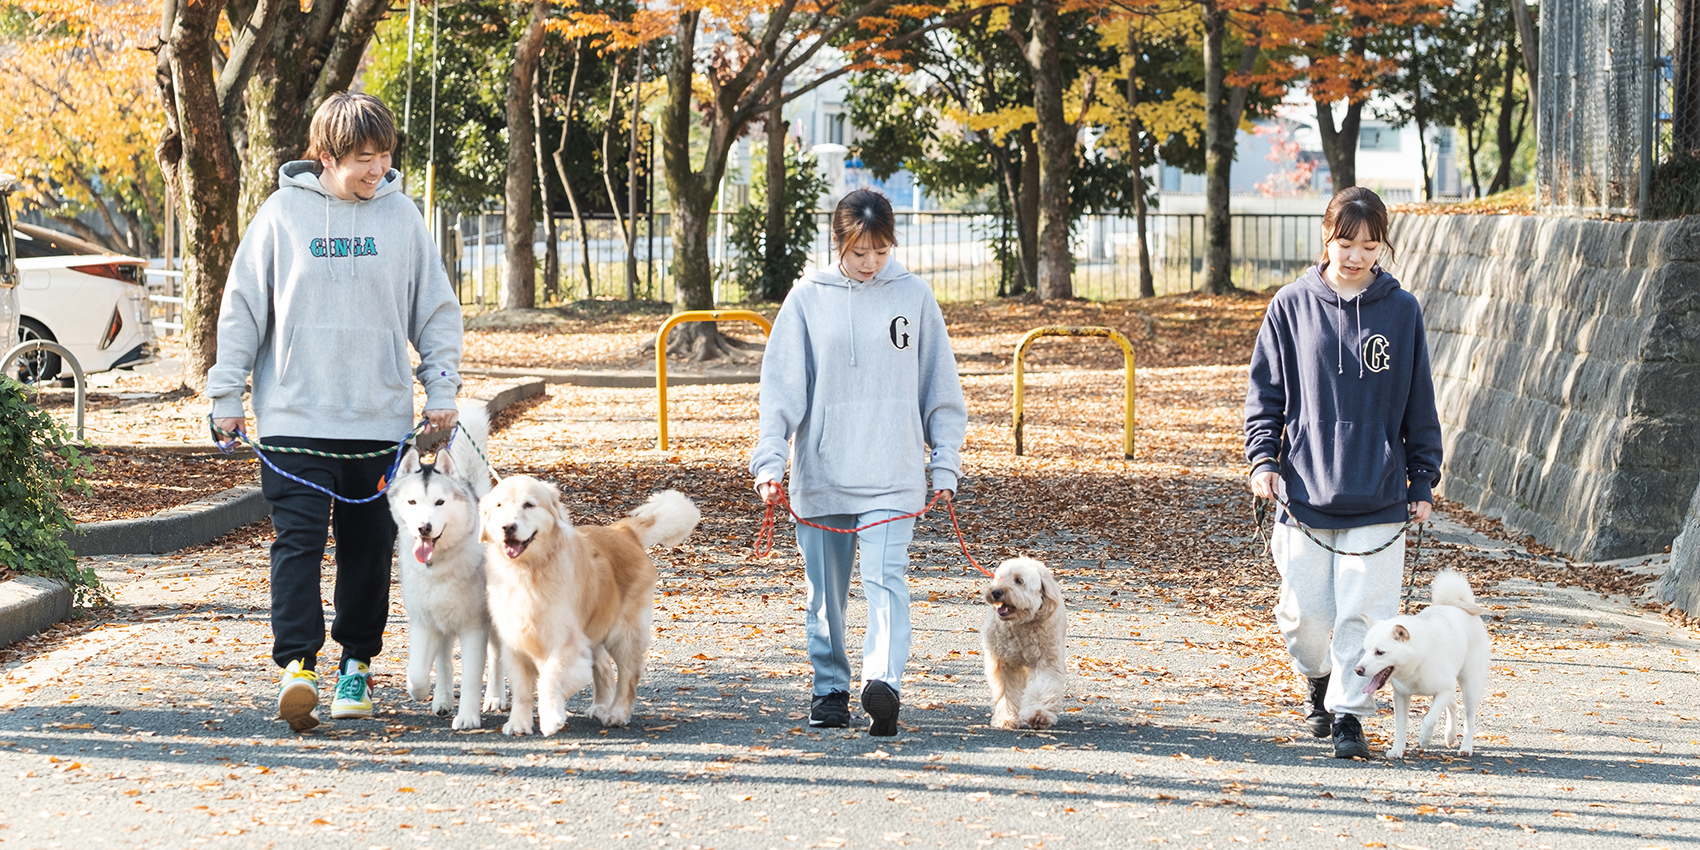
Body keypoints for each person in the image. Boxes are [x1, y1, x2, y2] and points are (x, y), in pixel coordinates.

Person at [207, 92, 463, 733]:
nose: (375, 170)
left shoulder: (402, 218)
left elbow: (434, 313)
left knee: (369, 547)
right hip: (293, 414)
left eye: (383, 156)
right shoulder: (282, 215)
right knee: (296, 543)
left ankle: (355, 665)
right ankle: (297, 666)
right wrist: (225, 394)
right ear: (325, 155)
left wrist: (442, 393)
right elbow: (243, 307)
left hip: (378, 420)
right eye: (361, 159)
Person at [750, 189, 967, 737]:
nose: (870, 263)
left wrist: (945, 464)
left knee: (886, 581)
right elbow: (780, 391)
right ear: (837, 242)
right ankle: (829, 689)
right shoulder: (806, 298)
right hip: (822, 475)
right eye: (859, 252)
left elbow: (939, 387)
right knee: (825, 594)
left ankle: (883, 684)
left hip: (892, 475)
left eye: (880, 251)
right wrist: (770, 462)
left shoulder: (914, 295)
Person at [1243, 186, 1443, 759]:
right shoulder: (1290, 305)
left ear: (1382, 247)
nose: (1356, 255)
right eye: (1345, 241)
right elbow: (1266, 395)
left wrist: (1421, 480)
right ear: (1326, 238)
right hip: (1303, 492)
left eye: (1369, 244)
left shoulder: (1401, 311)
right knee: (1306, 615)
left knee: (1364, 615)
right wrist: (1263, 460)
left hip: (1380, 495)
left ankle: (1350, 716)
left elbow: (1418, 403)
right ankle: (1318, 680)